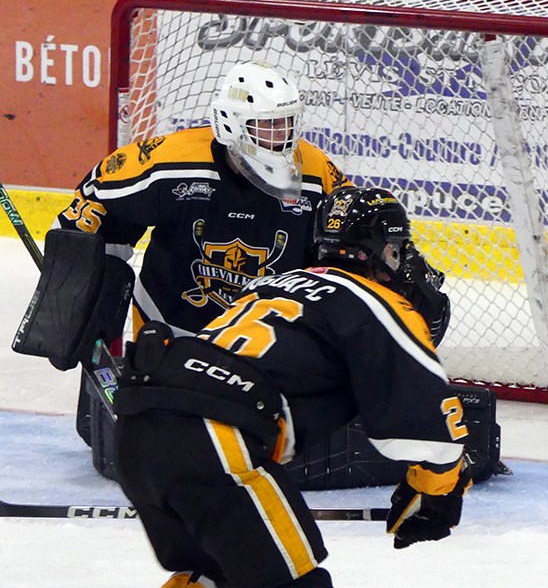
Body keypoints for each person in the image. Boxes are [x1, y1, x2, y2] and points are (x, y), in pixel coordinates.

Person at [111, 185, 470, 588]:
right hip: (215, 438)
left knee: (217, 578)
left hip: (136, 430)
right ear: (382, 251)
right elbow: (426, 424)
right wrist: (438, 488)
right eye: (396, 249)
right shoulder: (380, 303)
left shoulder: (267, 286)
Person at [52, 61, 353, 457]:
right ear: (230, 123)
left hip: (267, 342)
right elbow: (86, 218)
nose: (281, 137)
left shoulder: (316, 172)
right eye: (268, 125)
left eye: (287, 123)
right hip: (171, 334)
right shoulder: (166, 162)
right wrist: (79, 299)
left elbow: (347, 253)